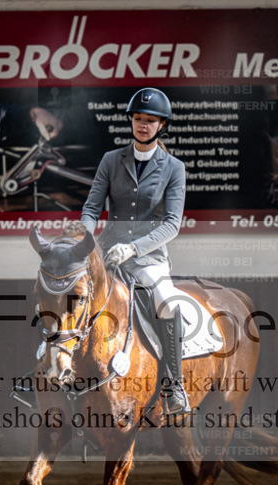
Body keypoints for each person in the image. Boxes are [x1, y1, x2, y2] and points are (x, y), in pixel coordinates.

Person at [80, 87, 191, 415]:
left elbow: (172, 224)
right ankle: (53, 370)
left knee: (167, 303)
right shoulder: (111, 160)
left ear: (161, 125)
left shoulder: (174, 168)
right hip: (107, 253)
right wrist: (84, 240)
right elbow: (91, 208)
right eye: (138, 119)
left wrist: (134, 248)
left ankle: (174, 383)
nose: (143, 125)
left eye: (150, 120)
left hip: (148, 257)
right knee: (70, 294)